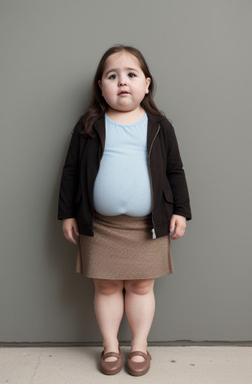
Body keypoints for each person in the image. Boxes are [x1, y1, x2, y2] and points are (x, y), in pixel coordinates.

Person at [58, 44, 191, 376]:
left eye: (131, 75)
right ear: (100, 86)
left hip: (149, 225)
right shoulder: (89, 125)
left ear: (146, 84)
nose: (122, 82)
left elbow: (175, 170)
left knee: (142, 286)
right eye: (112, 76)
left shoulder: (160, 125)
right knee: (104, 286)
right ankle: (111, 347)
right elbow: (71, 170)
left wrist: (180, 210)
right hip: (99, 225)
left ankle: (140, 347)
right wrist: (68, 213)